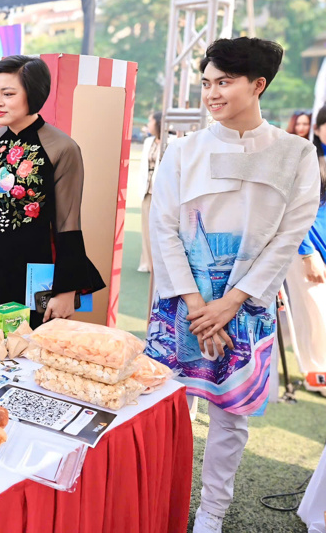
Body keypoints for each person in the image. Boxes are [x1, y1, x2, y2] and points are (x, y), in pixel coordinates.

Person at [143, 38, 319, 533]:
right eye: (206, 84)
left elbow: (289, 236)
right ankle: (162, 502)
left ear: (258, 85)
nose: (212, 94)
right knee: (169, 408)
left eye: (224, 82)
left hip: (244, 306)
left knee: (230, 417)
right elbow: (165, 229)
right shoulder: (184, 150)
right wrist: (200, 305)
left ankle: (211, 514)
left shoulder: (296, 154)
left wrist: (232, 302)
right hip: (184, 304)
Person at [0, 56, 105, 328]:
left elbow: (68, 223)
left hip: (35, 271)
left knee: (29, 355)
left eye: (8, 94)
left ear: (33, 94)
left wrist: (66, 290)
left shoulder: (62, 148)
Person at [283, 106, 326, 394]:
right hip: (306, 250)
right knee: (315, 313)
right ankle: (316, 375)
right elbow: (293, 209)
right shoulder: (307, 157)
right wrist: (308, 253)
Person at [139, 111, 163, 272]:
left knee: (160, 229)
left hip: (162, 192)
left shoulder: (171, 141)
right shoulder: (148, 141)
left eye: (150, 121)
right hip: (147, 191)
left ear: (158, 123)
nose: (148, 124)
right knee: (146, 227)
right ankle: (148, 262)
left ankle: (160, 264)